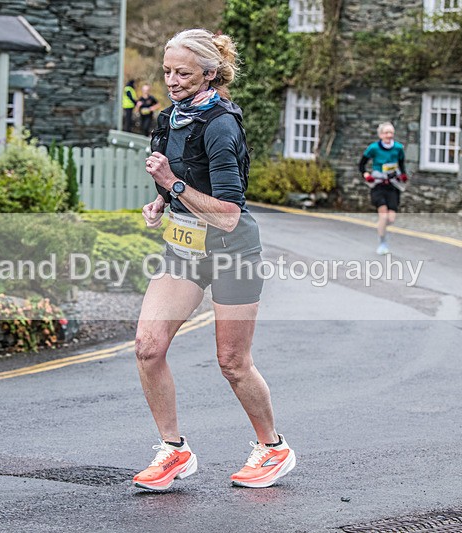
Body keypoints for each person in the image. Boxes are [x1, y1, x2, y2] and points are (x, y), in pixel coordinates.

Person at [132, 28, 296, 492]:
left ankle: (272, 448)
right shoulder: (168, 119)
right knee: (148, 345)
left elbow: (227, 215)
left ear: (208, 72)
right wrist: (161, 202)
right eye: (166, 71)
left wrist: (175, 185)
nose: (172, 80)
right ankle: (174, 451)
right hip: (184, 249)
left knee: (232, 360)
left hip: (231, 249)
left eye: (182, 72)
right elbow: (170, 178)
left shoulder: (222, 124)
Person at [358, 122, 408, 255]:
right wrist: (366, 174)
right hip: (378, 184)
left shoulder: (398, 148)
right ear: (380, 135)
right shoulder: (373, 148)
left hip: (392, 184)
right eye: (386, 133)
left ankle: (381, 227)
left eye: (391, 133)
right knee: (383, 215)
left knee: (390, 219)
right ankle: (382, 242)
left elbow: (401, 163)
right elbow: (362, 164)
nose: (389, 135)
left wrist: (403, 174)